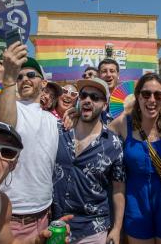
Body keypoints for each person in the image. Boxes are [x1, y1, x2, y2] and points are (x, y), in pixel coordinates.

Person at [109, 73, 161, 243]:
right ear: (137, 97)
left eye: (158, 95)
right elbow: (97, 135)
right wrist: (76, 116)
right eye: (146, 94)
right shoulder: (123, 123)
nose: (152, 100)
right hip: (135, 204)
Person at [0, 42, 59, 240]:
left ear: (44, 83)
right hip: (11, 216)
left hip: (45, 214)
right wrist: (8, 81)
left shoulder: (52, 119)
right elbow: (3, 129)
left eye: (31, 75)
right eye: (20, 76)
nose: (25, 80)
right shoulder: (7, 106)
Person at [53, 78, 125, 244]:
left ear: (105, 105)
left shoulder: (113, 143)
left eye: (95, 97)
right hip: (55, 225)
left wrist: (116, 228)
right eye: (84, 95)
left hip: (92, 230)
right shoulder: (59, 130)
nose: (88, 100)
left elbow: (118, 189)